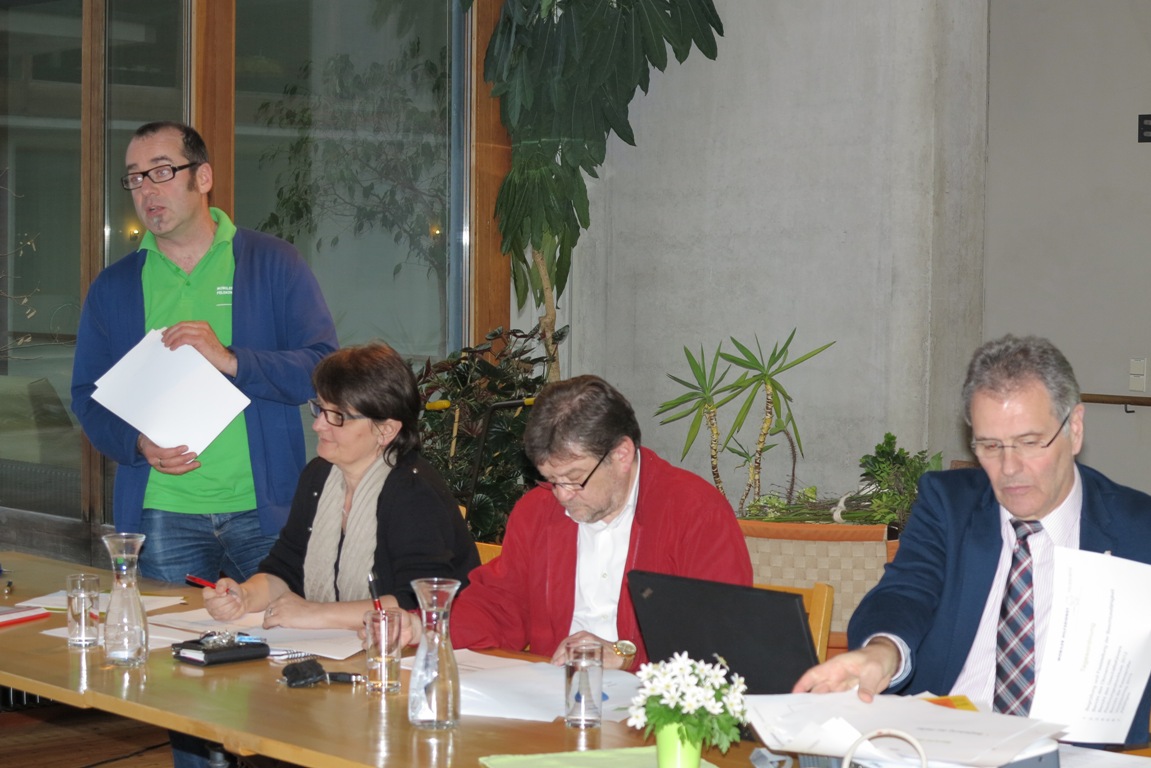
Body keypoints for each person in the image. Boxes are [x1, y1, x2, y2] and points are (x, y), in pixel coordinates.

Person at [793, 334, 1151, 747]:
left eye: (1029, 443)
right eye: (990, 445)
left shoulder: (1137, 530)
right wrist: (883, 652)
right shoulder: (949, 505)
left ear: (1074, 428)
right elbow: (906, 592)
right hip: (941, 746)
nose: (1009, 467)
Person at [71, 121, 338, 586]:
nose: (147, 189)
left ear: (204, 177)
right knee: (167, 634)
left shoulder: (273, 263)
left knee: (280, 629)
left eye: (162, 171)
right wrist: (137, 443)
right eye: (135, 177)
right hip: (161, 512)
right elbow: (87, 397)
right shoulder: (114, 287)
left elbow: (323, 368)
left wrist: (232, 359)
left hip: (263, 509)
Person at [442, 374, 753, 670]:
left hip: (653, 698)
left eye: (575, 479)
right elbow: (500, 604)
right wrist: (429, 626)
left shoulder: (694, 512)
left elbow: (719, 639)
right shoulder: (537, 510)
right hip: (556, 693)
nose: (562, 495)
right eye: (552, 480)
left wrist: (625, 656)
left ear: (621, 454)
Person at [203, 342, 480, 629]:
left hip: (432, 646)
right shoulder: (318, 476)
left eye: (337, 416)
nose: (318, 425)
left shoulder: (413, 491)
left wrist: (317, 614)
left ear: (385, 430)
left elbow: (419, 602)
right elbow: (285, 569)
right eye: (320, 409)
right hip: (347, 643)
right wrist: (244, 596)